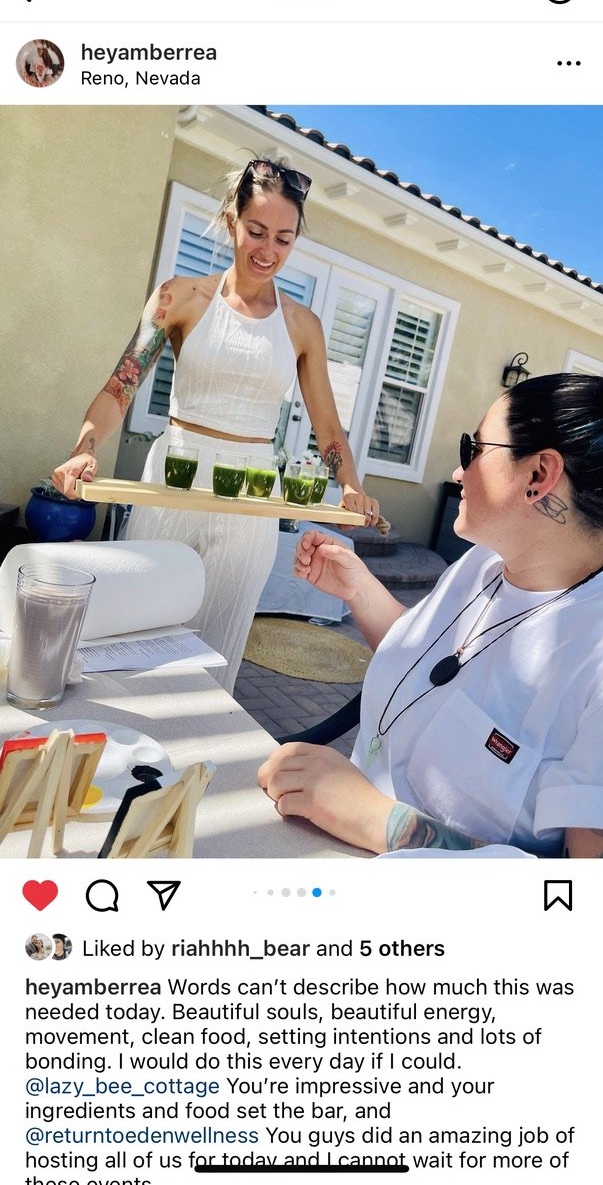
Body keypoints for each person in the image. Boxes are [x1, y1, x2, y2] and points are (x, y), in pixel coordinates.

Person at [52, 158, 379, 693]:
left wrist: (350, 486)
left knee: (215, 654)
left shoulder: (303, 327)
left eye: (283, 238)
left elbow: (328, 428)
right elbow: (122, 385)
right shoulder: (178, 298)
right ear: (232, 221)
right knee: (136, 635)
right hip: (174, 481)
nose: (268, 250)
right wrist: (85, 446)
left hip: (249, 499)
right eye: (256, 231)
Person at [259, 373, 603, 858]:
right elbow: (431, 663)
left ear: (538, 476)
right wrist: (358, 589)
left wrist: (384, 821)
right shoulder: (482, 563)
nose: (459, 473)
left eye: (474, 449)